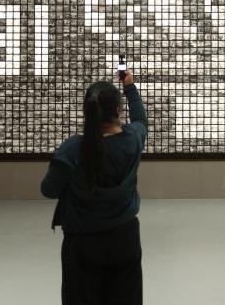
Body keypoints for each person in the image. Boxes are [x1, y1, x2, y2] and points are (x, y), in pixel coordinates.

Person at [41, 70, 147, 305]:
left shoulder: (72, 149)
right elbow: (141, 121)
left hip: (82, 240)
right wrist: (129, 87)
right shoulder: (132, 139)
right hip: (125, 237)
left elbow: (48, 189)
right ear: (118, 110)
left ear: (87, 112)